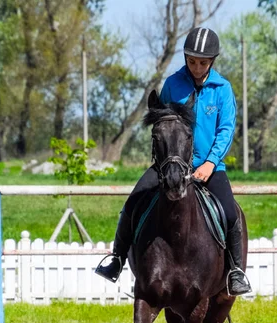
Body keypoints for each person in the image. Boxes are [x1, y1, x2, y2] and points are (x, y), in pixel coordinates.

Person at [95, 27, 251, 296]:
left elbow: (226, 130)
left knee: (228, 213)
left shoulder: (223, 89)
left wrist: (210, 163)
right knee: (132, 203)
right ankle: (117, 259)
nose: (197, 67)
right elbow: (160, 125)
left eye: (203, 62)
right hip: (169, 165)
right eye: (192, 61)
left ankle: (235, 272)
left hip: (209, 166)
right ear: (185, 57)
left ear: (212, 61)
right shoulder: (172, 85)